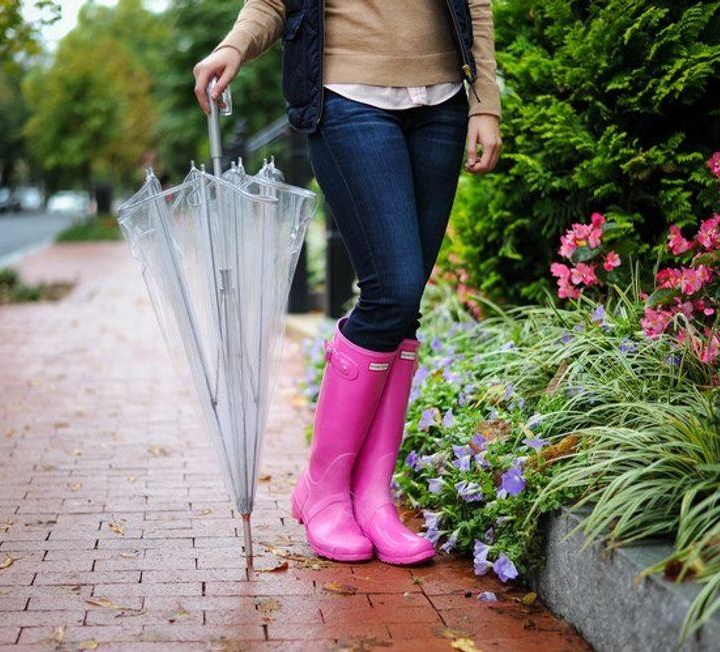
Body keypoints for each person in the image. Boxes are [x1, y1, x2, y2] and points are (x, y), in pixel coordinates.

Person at [193, 0, 502, 565]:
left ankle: (372, 497)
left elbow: (475, 5)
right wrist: (235, 44)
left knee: (403, 308)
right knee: (392, 291)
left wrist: (485, 104)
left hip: (443, 104)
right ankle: (325, 489)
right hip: (347, 97)